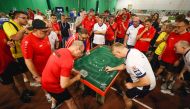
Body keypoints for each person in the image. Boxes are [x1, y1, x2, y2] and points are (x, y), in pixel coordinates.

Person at [105, 42, 156, 109]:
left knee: (126, 98)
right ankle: (127, 92)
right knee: (125, 81)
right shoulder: (132, 51)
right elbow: (124, 65)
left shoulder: (131, 63)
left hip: (145, 85)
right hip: (143, 78)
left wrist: (132, 85)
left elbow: (146, 82)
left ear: (119, 52)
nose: (115, 56)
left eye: (115, 55)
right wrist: (112, 68)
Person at [42, 40, 84, 109]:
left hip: (45, 81)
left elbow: (60, 65)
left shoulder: (62, 49)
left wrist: (72, 71)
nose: (80, 54)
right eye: (81, 52)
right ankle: (55, 103)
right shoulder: (68, 61)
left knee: (54, 95)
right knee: (70, 101)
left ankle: (54, 104)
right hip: (53, 85)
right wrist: (76, 78)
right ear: (77, 48)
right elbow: (64, 85)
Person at [3, 11, 34, 102]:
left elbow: (27, 36)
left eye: (26, 18)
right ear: (16, 18)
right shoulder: (7, 24)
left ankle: (25, 91)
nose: (26, 20)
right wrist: (23, 30)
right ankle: (21, 95)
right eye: (23, 18)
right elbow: (15, 37)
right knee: (17, 77)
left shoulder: (21, 26)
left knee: (21, 74)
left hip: (22, 53)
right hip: (14, 56)